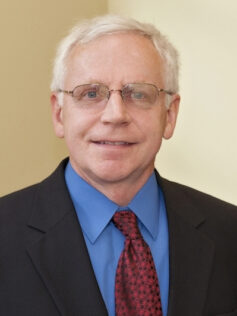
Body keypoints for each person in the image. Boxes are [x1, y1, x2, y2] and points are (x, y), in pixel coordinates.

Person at [0, 15, 237, 316]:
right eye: (90, 93)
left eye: (138, 94)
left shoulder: (230, 233)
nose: (115, 115)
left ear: (170, 115)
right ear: (59, 114)